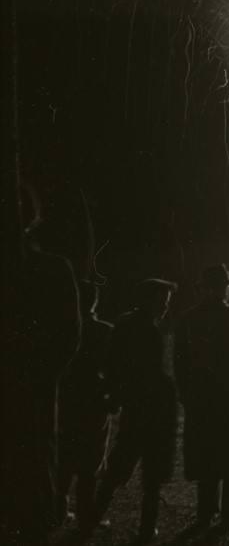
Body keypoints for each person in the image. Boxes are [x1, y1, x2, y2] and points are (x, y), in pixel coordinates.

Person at [0, 189, 80, 546]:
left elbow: (68, 335)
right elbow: (69, 335)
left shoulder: (49, 267)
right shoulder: (53, 267)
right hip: (35, 388)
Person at [86, 279, 178, 544]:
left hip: (134, 408)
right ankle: (147, 531)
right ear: (149, 300)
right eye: (162, 301)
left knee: (117, 467)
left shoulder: (124, 324)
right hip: (155, 410)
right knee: (151, 475)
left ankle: (92, 518)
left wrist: (117, 395)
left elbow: (112, 364)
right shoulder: (152, 331)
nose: (165, 307)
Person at [175, 264, 229, 537]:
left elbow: (180, 363)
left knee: (207, 457)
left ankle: (206, 511)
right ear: (225, 288)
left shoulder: (187, 319)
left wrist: (187, 396)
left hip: (202, 399)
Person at [55, 279, 113, 529]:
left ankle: (58, 509)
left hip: (67, 399)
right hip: (95, 400)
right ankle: (85, 514)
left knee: (65, 457)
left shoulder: (62, 329)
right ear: (95, 301)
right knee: (92, 458)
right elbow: (113, 368)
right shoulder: (105, 330)